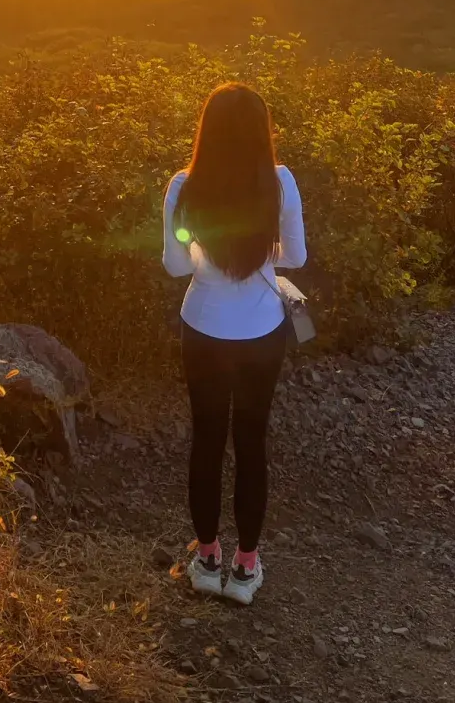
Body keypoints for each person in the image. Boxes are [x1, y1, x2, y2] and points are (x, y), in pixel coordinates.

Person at [162, 82, 306, 605]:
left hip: (202, 327)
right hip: (262, 333)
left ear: (208, 131)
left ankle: (206, 561)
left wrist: (204, 249)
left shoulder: (183, 185)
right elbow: (297, 256)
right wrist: (259, 253)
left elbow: (176, 265)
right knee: (251, 443)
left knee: (206, 441)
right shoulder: (281, 182)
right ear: (261, 133)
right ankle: (246, 570)